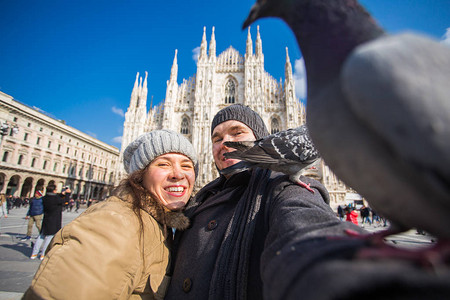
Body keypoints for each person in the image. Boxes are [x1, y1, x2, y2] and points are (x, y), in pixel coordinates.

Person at [166, 104, 450, 299]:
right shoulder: (197, 199)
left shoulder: (281, 187)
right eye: (216, 137)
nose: (225, 142)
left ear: (259, 137)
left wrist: (341, 263)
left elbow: (304, 219)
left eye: (237, 133)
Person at [23, 129, 198, 300]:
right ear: (139, 175)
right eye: (163, 164)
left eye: (186, 165)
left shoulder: (157, 222)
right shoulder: (113, 224)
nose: (178, 174)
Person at [29, 185, 64, 260]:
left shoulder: (44, 198)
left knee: (41, 236)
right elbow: (63, 201)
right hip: (54, 220)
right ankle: (43, 254)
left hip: (46, 219)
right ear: (54, 190)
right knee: (49, 237)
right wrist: (65, 194)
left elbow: (56, 198)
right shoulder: (56, 199)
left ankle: (34, 254)